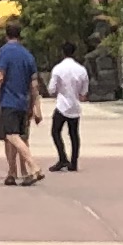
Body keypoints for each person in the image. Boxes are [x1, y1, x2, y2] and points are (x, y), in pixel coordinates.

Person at [0, 25, 40, 185]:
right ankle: (13, 172)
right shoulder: (28, 55)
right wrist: (35, 106)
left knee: (11, 136)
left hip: (9, 101)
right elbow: (34, 85)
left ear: (6, 35)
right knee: (19, 137)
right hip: (24, 102)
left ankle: (33, 167)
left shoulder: (4, 52)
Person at [47, 42, 90, 171]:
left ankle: (62, 158)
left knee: (55, 132)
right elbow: (84, 92)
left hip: (62, 105)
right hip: (75, 106)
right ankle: (74, 162)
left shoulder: (58, 69)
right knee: (74, 134)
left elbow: (51, 89)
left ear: (62, 53)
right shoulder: (81, 69)